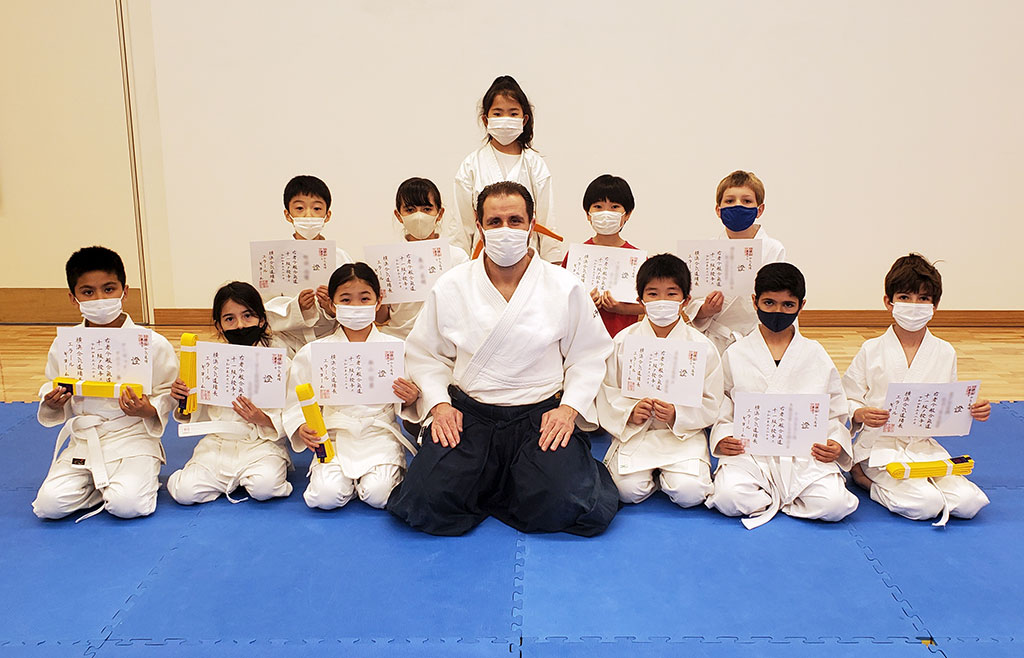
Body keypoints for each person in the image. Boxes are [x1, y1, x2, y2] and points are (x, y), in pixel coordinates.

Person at [388, 181, 618, 536]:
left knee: (568, 502)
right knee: (426, 501)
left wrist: (568, 410)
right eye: (495, 222)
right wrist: (438, 406)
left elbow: (587, 356)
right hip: (469, 415)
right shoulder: (451, 285)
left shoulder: (563, 286)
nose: (505, 230)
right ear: (479, 226)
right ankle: (506, 478)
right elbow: (426, 355)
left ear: (531, 223)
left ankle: (514, 477)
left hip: (540, 416)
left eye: (515, 220)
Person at [706, 262, 857, 528]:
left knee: (834, 505)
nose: (778, 311)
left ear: (801, 305)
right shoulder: (736, 352)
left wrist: (835, 441)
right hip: (750, 452)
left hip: (805, 453)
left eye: (788, 305)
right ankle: (787, 498)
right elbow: (723, 402)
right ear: (755, 301)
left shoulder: (815, 354)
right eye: (769, 302)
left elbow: (834, 409)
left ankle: (777, 498)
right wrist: (723, 435)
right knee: (729, 497)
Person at [843, 253, 990, 525]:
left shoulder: (944, 352)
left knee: (969, 503)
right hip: (879, 448)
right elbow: (846, 398)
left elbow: (946, 404)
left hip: (923, 446)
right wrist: (860, 413)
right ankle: (864, 479)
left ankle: (926, 483)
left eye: (923, 299)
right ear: (889, 302)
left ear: (934, 306)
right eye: (905, 297)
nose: (914, 305)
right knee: (924, 504)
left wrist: (971, 409)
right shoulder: (872, 349)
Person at [32, 247, 178, 520]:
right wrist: (52, 400)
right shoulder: (66, 344)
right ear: (73, 298)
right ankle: (101, 488)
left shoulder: (151, 343)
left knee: (129, 506)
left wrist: (149, 410)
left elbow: (168, 392)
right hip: (85, 439)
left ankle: (130, 482)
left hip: (134, 437)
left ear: (125, 291)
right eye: (88, 292)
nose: (100, 299)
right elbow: (52, 382)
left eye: (109, 289)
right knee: (48, 506)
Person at [284, 263, 421, 510]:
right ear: (333, 305)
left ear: (379, 302)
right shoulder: (313, 352)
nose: (355, 306)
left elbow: (414, 400)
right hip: (334, 436)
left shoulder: (397, 348)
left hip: (378, 434)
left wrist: (412, 399)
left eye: (364, 298)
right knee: (325, 497)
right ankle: (343, 481)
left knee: (379, 496)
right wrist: (301, 426)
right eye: (346, 299)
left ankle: (374, 477)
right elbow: (295, 400)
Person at [597, 254, 723, 507]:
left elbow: (712, 401)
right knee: (627, 492)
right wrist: (630, 411)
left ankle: (669, 476)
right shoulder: (623, 341)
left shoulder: (701, 347)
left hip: (682, 436)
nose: (662, 301)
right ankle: (650, 477)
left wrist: (678, 414)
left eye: (671, 294)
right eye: (653, 294)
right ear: (640, 300)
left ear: (686, 300)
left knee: (690, 494)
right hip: (636, 432)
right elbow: (607, 389)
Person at [167, 282, 293, 505]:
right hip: (217, 443)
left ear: (262, 320)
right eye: (229, 319)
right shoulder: (207, 362)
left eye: (248, 316)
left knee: (265, 488)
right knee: (184, 493)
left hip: (260, 443)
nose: (240, 325)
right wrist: (184, 399)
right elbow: (193, 414)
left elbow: (292, 412)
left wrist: (261, 419)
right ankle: (218, 476)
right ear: (219, 325)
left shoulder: (280, 362)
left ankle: (259, 473)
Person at [446, 75, 563, 263]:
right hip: (482, 263)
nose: (506, 119)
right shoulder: (471, 165)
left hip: (527, 262)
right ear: (486, 120)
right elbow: (461, 226)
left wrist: (553, 266)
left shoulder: (534, 165)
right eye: (498, 113)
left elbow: (547, 220)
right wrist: (459, 269)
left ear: (524, 120)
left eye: (513, 113)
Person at [686, 170, 787, 355]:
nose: (737, 206)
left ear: (760, 209)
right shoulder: (705, 251)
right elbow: (691, 302)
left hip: (757, 338)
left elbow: (781, 299)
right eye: (730, 201)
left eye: (747, 201)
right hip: (713, 338)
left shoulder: (773, 249)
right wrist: (705, 309)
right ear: (718, 210)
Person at [266, 175, 353, 356]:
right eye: (299, 208)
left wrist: (332, 309)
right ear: (287, 215)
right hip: (286, 340)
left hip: (330, 337)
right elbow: (267, 309)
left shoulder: (341, 258)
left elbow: (354, 302)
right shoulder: (273, 259)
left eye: (316, 208)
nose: (308, 215)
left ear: (327, 215)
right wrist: (297, 307)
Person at [376, 177, 470, 340]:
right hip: (399, 339)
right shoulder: (386, 260)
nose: (419, 216)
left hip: (442, 342)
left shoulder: (457, 257)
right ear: (399, 215)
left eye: (427, 209)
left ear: (439, 213)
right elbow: (381, 319)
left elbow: (466, 308)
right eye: (410, 210)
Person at [561, 174, 644, 337]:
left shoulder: (637, 259)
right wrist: (583, 304)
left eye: (614, 207)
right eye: (598, 206)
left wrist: (620, 308)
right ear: (587, 214)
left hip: (621, 341)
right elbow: (560, 300)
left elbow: (647, 305)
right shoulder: (575, 255)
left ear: (627, 214)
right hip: (581, 340)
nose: (606, 213)